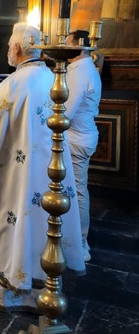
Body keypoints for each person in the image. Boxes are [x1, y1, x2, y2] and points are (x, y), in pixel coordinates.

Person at [0, 22, 85, 312]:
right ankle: (46, 285)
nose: (8, 51)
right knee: (45, 222)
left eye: (9, 46)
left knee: (18, 219)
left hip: (19, 175)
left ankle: (13, 286)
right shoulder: (54, 78)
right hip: (50, 174)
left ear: (17, 48)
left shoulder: (13, 84)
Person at [65, 29, 102, 263]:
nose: (64, 48)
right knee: (75, 190)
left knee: (77, 192)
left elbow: (66, 112)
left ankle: (80, 243)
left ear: (79, 46)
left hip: (76, 140)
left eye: (68, 44)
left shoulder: (80, 72)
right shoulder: (85, 68)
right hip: (80, 137)